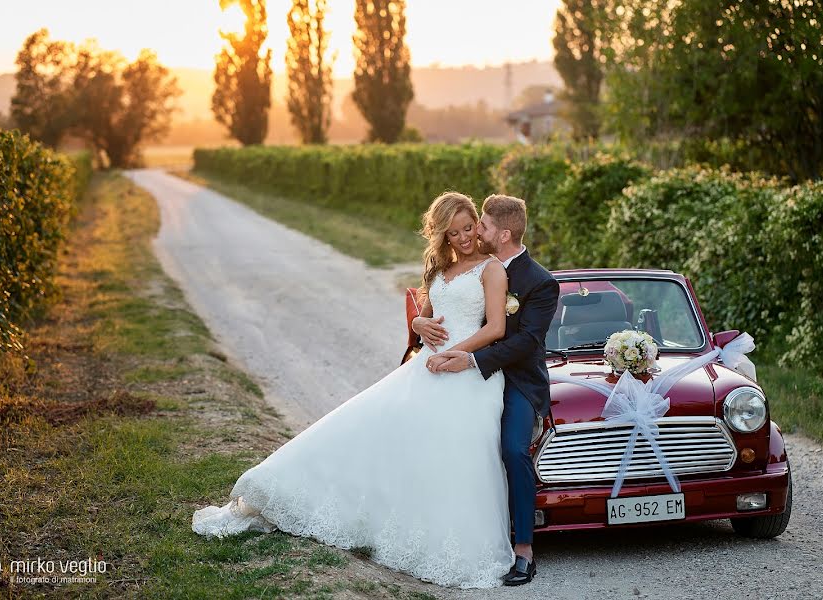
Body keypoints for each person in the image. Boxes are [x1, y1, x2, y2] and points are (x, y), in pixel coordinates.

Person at [192, 192, 515, 589]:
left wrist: (454, 353)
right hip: (427, 366)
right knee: (366, 425)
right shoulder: (439, 270)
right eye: (455, 232)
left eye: (469, 228)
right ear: (443, 235)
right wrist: (418, 327)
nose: (465, 237)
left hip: (469, 373)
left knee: (453, 453)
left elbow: (496, 328)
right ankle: (293, 491)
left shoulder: (492, 270)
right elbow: (425, 316)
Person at [425, 194, 559, 586]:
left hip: (516, 380)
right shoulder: (470, 264)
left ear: (502, 234)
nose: (474, 231)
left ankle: (523, 550)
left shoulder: (540, 281)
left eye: (480, 225)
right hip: (463, 369)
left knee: (513, 449)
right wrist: (420, 323)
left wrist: (470, 361)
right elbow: (441, 308)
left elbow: (526, 343)